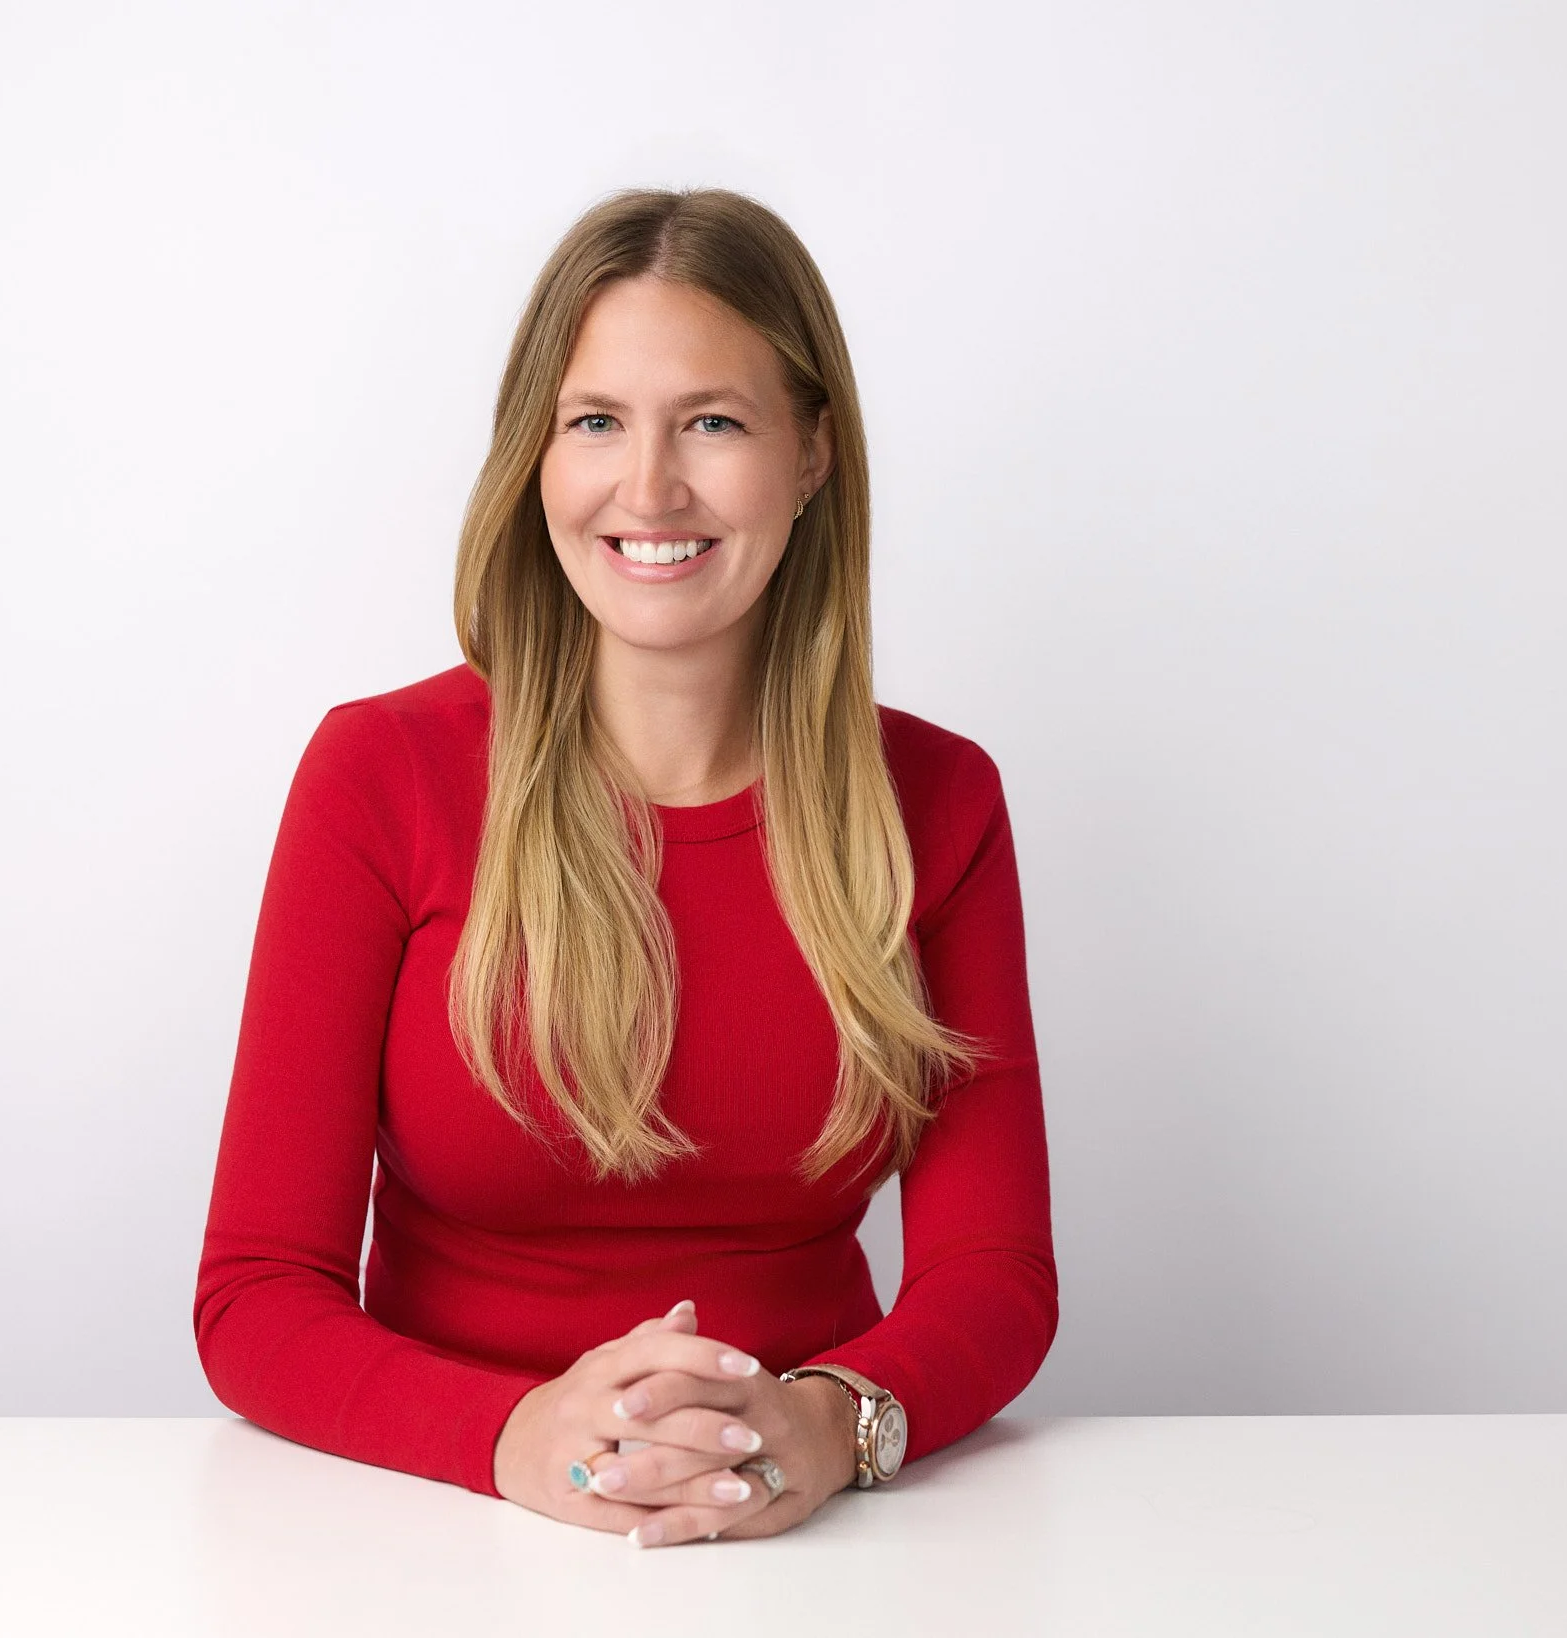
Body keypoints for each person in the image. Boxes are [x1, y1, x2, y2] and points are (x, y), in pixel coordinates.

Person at [193, 187, 1056, 1549]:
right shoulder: (381, 774)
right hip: (435, 1531)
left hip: (820, 1540)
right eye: (597, 421)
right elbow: (255, 1293)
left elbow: (994, 1273)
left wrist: (833, 1419)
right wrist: (510, 1436)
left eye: (712, 421)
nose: (648, 489)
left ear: (813, 453)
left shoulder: (939, 801)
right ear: (536, 456)